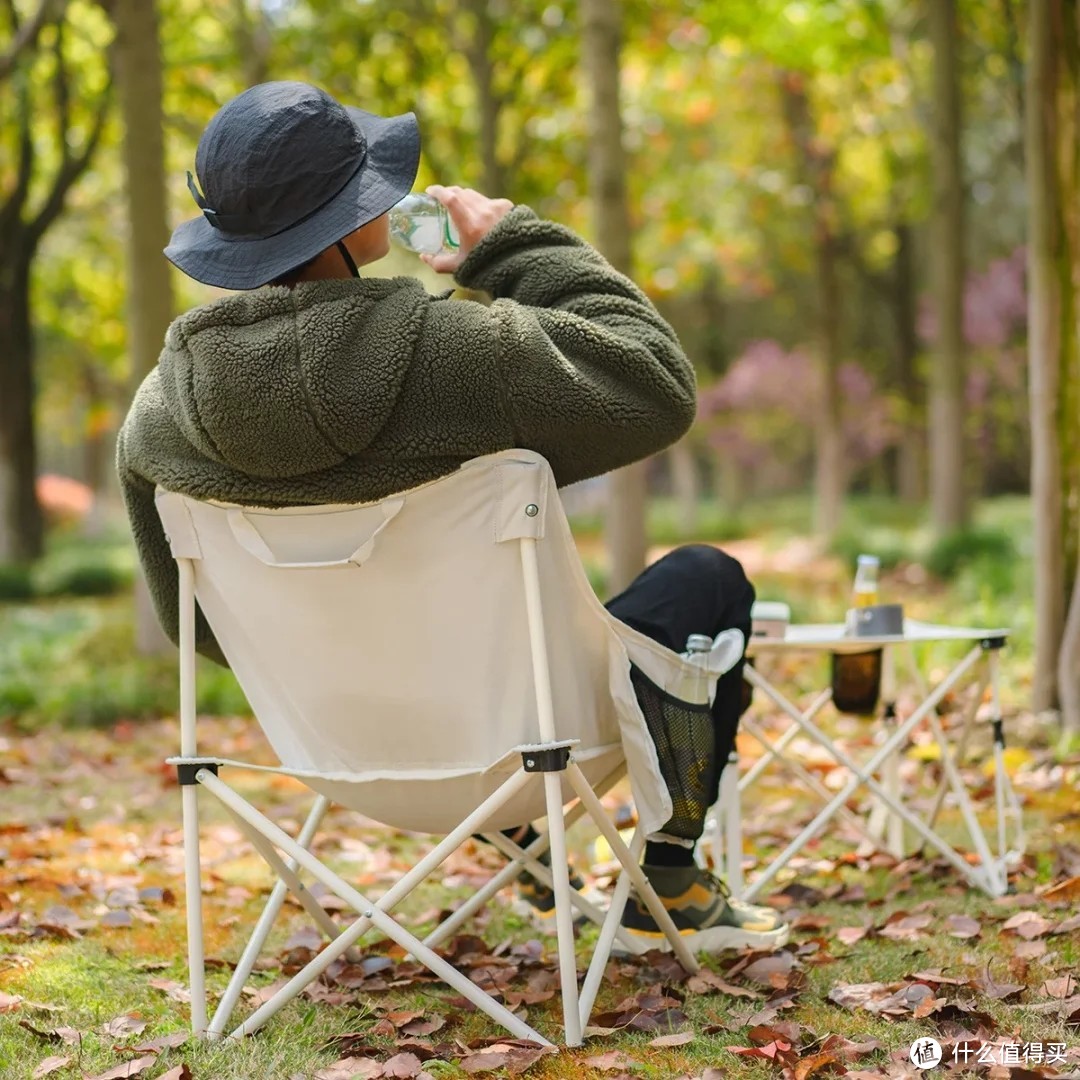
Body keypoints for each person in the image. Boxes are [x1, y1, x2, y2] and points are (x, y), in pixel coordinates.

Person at [117, 81, 786, 953]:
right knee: (706, 578)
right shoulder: (467, 356)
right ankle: (670, 879)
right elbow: (655, 383)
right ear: (352, 225)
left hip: (342, 753)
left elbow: (199, 627)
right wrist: (513, 246)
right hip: (524, 745)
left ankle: (539, 862)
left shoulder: (155, 421)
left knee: (459, 654)